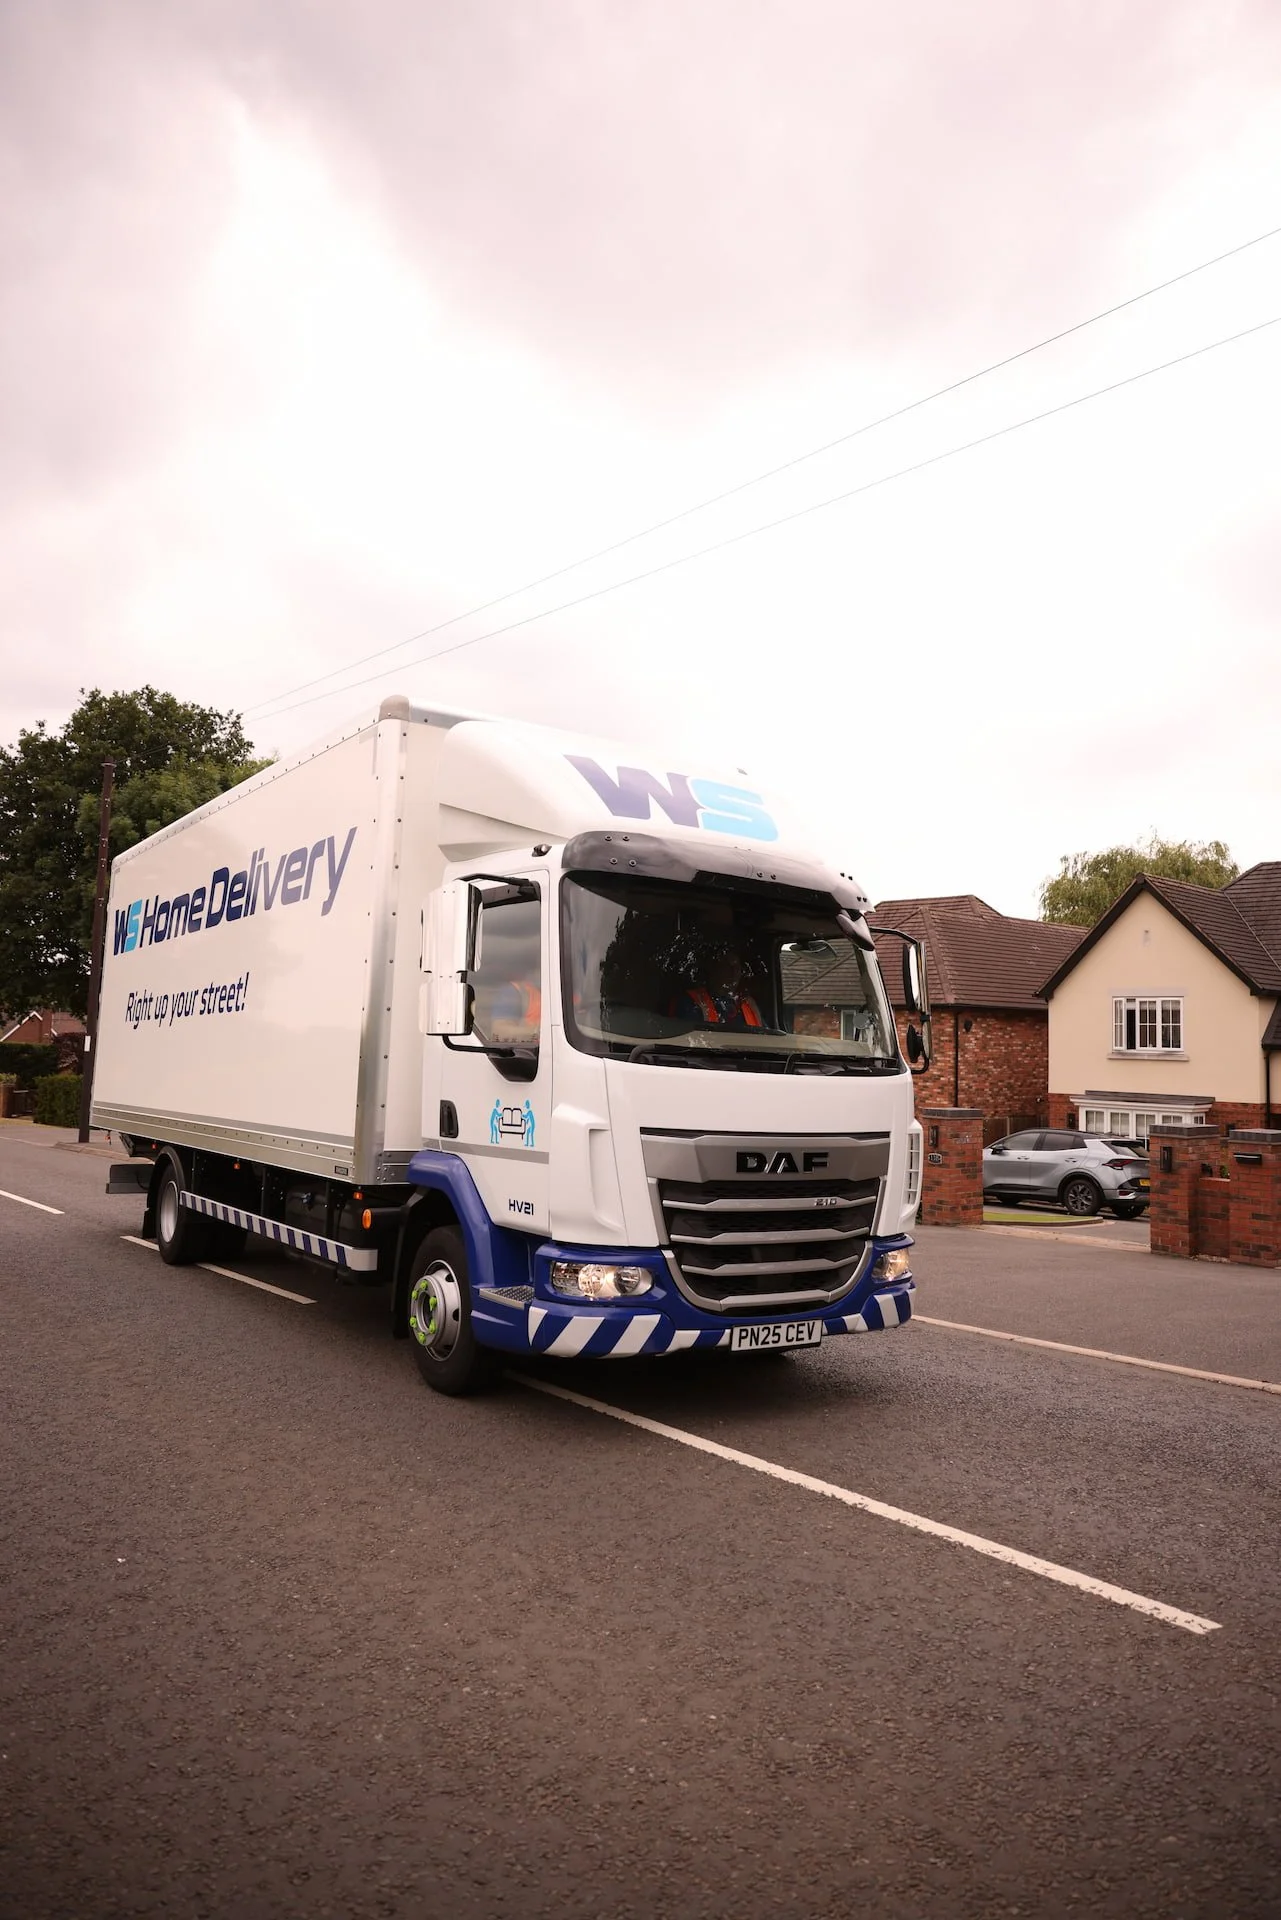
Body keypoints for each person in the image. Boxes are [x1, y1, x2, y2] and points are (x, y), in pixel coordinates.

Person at [673, 946, 766, 1031]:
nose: (734, 972)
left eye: (737, 966)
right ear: (714, 969)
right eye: (728, 966)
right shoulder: (691, 1002)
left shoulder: (749, 1004)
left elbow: (767, 1037)